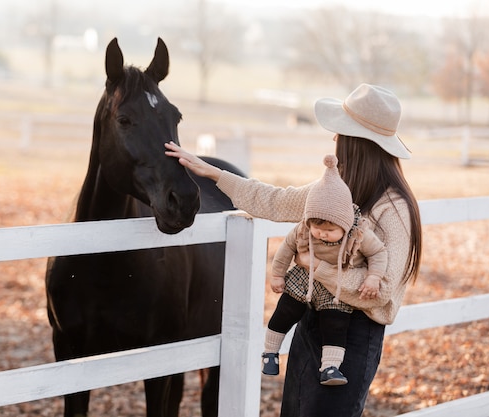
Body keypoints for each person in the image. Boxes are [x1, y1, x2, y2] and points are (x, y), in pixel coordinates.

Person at [165, 83, 422, 416]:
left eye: (340, 133)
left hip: (354, 338)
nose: (334, 139)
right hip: (311, 323)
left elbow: (382, 289)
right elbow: (273, 200)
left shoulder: (394, 207)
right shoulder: (334, 192)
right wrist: (212, 172)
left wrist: (316, 268)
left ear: (358, 144)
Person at [263, 154, 387, 387]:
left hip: (335, 288)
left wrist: (373, 277)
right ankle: (270, 353)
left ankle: (330, 367)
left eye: (329, 230)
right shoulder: (303, 229)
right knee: (285, 311)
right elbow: (285, 250)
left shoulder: (358, 234)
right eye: (317, 229)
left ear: (345, 222)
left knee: (336, 324)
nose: (321, 234)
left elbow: (379, 253)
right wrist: (277, 274)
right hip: (303, 279)